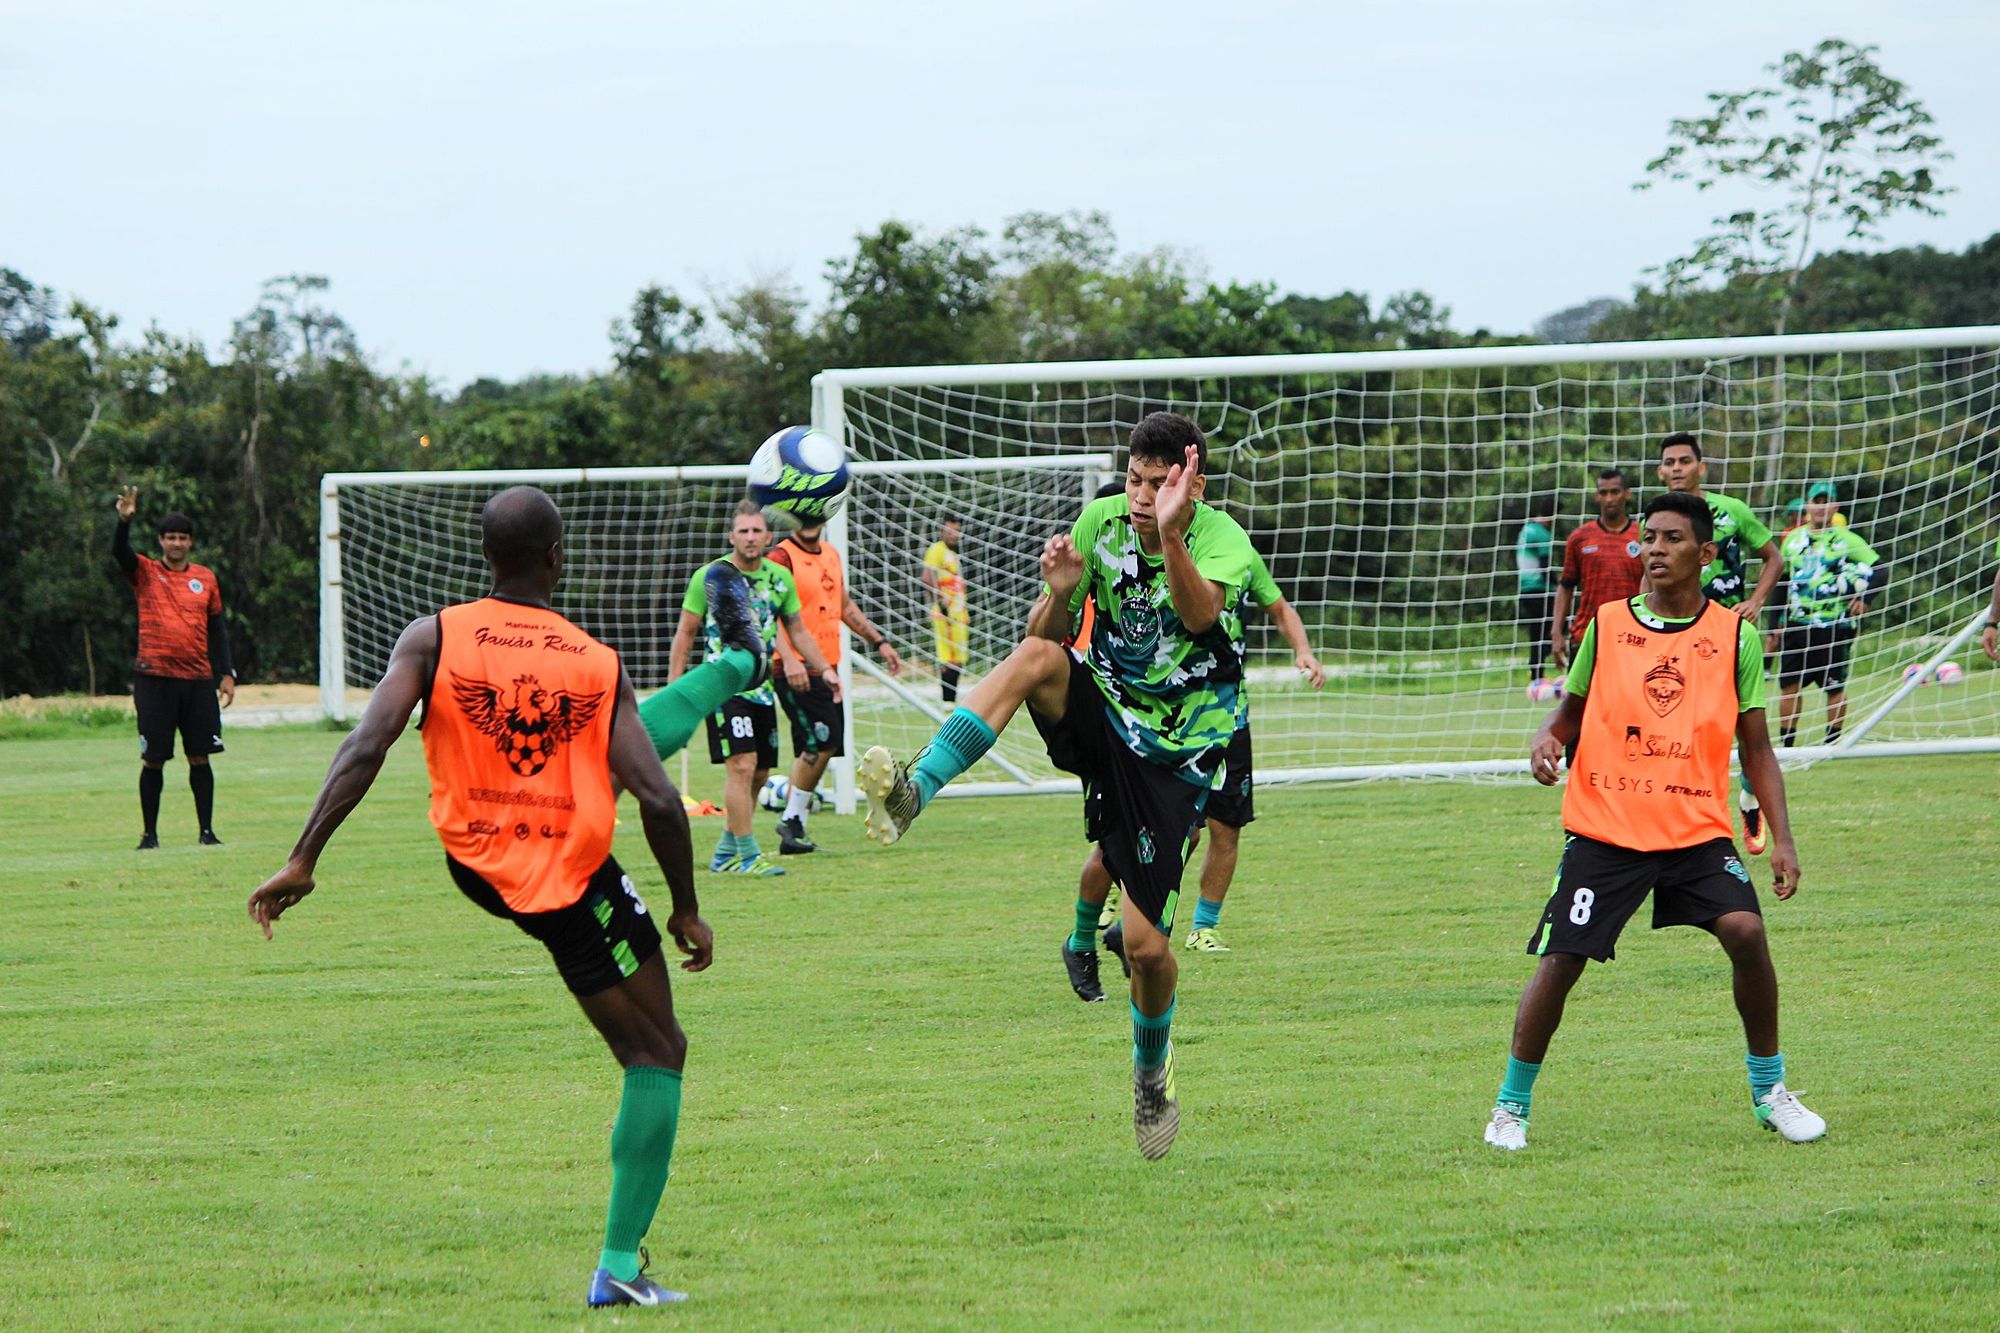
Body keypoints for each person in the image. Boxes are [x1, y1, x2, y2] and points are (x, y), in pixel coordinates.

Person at [245, 486, 718, 1308]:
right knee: (657, 1050)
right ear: (557, 557)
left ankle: (621, 1265)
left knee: (646, 1028)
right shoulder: (595, 660)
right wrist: (684, 905)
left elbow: (368, 743)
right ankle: (618, 1267)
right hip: (564, 877)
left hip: (475, 862)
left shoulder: (434, 635)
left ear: (486, 555)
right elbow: (660, 800)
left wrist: (302, 858)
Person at [858, 412, 1258, 1160]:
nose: (1141, 497)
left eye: (1159, 483)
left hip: (1176, 756)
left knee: (1144, 948)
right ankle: (917, 789)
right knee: (1035, 657)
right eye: (1135, 480)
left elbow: (1202, 618)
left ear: (1192, 481)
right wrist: (1063, 591)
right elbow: (1051, 630)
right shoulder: (1101, 520)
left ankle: (1151, 1072)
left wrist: (1170, 533)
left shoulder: (1220, 538)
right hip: (1109, 714)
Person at [1484, 490, 1824, 1153]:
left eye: (1671, 538)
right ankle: (1509, 1107)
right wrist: (1547, 739)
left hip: (1695, 829)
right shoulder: (1609, 625)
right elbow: (1569, 713)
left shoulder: (1734, 637)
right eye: (1650, 537)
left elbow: (1756, 747)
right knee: (1562, 959)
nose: (1655, 548)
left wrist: (1781, 838)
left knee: (1747, 931)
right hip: (1606, 825)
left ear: (1705, 553)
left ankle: (1770, 1090)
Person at [1065, 550, 1324, 1000]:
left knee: (1211, 831)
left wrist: (1303, 651)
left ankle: (1191, 927)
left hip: (1222, 724)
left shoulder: (1234, 554)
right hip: (1145, 724)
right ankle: (1082, 940)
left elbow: (1279, 607)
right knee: (1116, 844)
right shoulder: (1133, 563)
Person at [669, 501, 837, 876]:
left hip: (761, 690)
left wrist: (825, 669)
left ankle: (725, 852)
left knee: (760, 774)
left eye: (756, 531)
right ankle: (747, 855)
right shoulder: (710, 577)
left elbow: (797, 631)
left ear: (768, 536)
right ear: (732, 536)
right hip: (724, 687)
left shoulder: (779, 579)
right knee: (741, 768)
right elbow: (686, 632)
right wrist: (675, 687)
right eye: (743, 531)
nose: (750, 537)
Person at [1657, 432, 1782, 855]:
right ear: (1660, 471)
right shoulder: (1656, 519)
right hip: (1679, 644)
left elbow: (1774, 557)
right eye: (1669, 462)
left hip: (1729, 640)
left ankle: (1750, 800)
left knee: (1748, 734)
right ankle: (1688, 824)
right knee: (1678, 730)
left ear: (1700, 467)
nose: (1677, 468)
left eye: (1684, 461)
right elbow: (1649, 580)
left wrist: (1756, 601)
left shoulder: (1731, 512)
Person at [765, 513, 903, 854]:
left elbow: (844, 606)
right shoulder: (780, 557)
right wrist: (791, 658)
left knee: (819, 745)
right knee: (821, 743)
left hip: (827, 668)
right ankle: (791, 817)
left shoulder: (830, 553)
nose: (809, 521)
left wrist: (879, 641)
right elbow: (768, 613)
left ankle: (792, 820)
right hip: (796, 669)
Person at [113, 486, 235, 849]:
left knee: (200, 756)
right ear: (161, 542)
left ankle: (207, 833)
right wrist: (123, 521)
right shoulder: (146, 573)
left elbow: (217, 629)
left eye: (182, 538)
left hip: (197, 681)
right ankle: (149, 835)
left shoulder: (206, 579)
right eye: (170, 538)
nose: (176, 544)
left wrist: (226, 673)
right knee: (153, 758)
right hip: (154, 679)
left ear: (191, 542)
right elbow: (119, 553)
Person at [1775, 483, 1881, 746]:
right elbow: (1782, 581)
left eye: (1826, 501)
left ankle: (1832, 742)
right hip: (1797, 624)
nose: (1821, 506)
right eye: (1816, 501)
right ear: (1807, 506)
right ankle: (1787, 743)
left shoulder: (1847, 539)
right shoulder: (1793, 539)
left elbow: (1880, 569)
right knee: (1788, 685)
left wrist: (1864, 599)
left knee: (1834, 686)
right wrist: (1774, 622)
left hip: (1834, 625)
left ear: (1835, 507)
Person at [1550, 469, 1643, 677]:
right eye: (1603, 493)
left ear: (1627, 494)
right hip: (1586, 636)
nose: (1609, 498)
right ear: (1597, 496)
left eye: (1615, 492)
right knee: (1580, 709)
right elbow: (1566, 585)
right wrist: (1557, 633)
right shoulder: (1580, 537)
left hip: (1633, 637)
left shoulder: (1643, 535)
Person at [922, 516, 971, 702]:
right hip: (946, 614)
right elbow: (927, 578)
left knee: (958, 660)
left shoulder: (954, 554)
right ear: (942, 531)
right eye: (951, 530)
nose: (955, 534)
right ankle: (947, 702)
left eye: (957, 530)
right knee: (949, 659)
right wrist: (942, 605)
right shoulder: (936, 550)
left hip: (959, 615)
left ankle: (951, 700)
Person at [1516, 498, 1558, 684]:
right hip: (1540, 590)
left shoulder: (1526, 530)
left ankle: (1536, 674)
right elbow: (1544, 565)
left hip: (1524, 589)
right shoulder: (1542, 533)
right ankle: (1538, 669)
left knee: (1535, 633)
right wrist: (1559, 586)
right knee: (1552, 629)